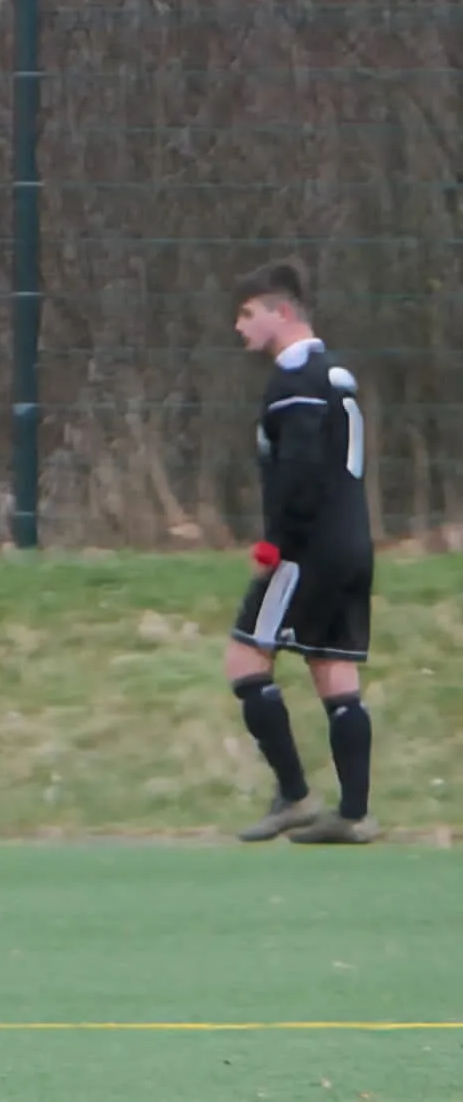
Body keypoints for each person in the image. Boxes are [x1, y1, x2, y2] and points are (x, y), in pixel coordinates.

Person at [226, 259, 378, 845]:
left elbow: (301, 472)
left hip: (306, 550)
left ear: (282, 312)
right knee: (332, 669)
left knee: (245, 660)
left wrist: (275, 544)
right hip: (352, 544)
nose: (239, 327)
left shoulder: (294, 382)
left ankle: (294, 796)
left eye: (248, 314)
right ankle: (355, 813)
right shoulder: (336, 373)